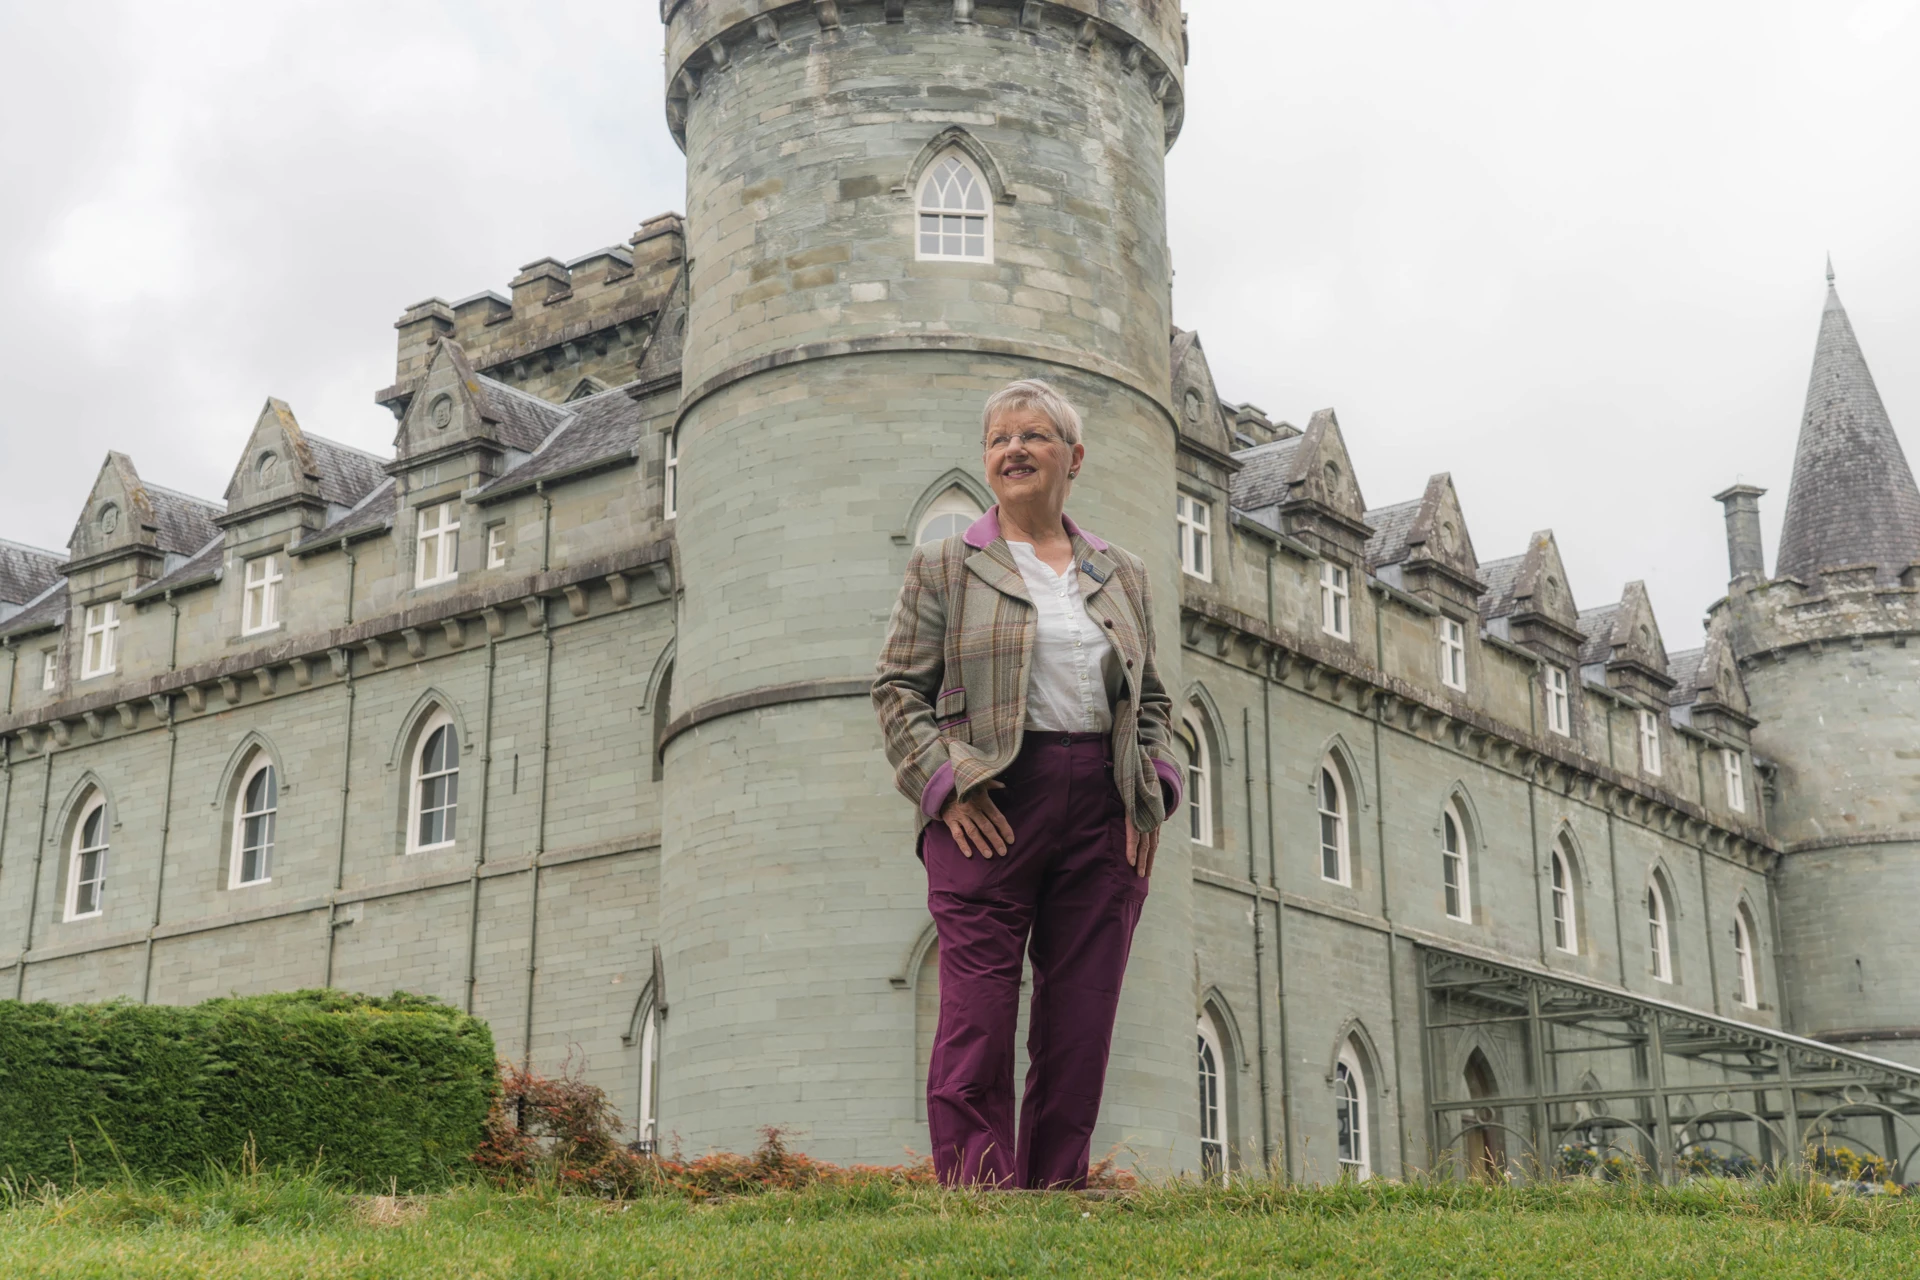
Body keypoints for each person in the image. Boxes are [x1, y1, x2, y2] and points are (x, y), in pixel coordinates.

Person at [873, 378, 1181, 1189]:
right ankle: (980, 1193)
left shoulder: (1125, 573)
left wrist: (1152, 789)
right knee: (976, 1016)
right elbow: (898, 690)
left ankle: (1055, 1190)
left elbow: (1151, 702)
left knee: (1081, 1016)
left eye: (1034, 435)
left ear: (1072, 458)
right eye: (999, 438)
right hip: (991, 804)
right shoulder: (947, 566)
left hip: (1105, 808)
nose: (1013, 449)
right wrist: (948, 783)